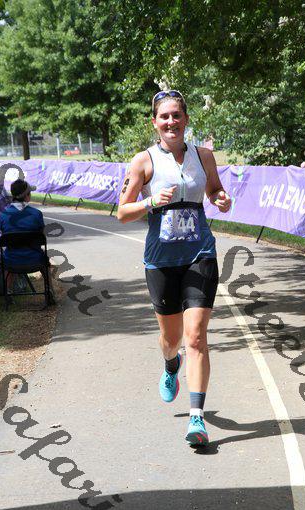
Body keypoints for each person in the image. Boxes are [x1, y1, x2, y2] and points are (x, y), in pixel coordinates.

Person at [117, 90, 231, 447]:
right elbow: (122, 212)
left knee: (195, 336)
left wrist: (221, 199)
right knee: (172, 340)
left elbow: (215, 191)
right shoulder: (143, 161)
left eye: (176, 115)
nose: (171, 122)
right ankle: (170, 364)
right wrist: (151, 201)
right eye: (164, 116)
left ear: (186, 119)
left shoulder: (204, 156)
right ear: (155, 122)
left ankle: (197, 418)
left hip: (200, 254)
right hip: (162, 260)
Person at [0, 178, 55, 302]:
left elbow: (4, 235)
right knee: (45, 260)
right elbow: (41, 237)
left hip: (11, 261)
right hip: (34, 259)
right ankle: (49, 290)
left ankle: (7, 293)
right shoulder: (36, 214)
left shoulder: (4, 215)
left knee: (8, 256)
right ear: (27, 196)